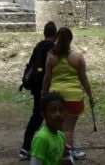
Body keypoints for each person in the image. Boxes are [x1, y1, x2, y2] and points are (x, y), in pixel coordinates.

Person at [41, 27, 94, 161]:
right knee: (68, 129)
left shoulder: (51, 56)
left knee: (55, 128)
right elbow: (84, 79)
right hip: (74, 97)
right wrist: (90, 96)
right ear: (71, 39)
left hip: (55, 97)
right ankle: (67, 156)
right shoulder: (78, 57)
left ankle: (54, 153)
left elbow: (47, 78)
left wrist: (43, 95)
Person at [19, 21, 58, 160]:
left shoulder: (38, 46)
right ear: (55, 34)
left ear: (44, 32)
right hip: (46, 87)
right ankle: (28, 147)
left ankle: (26, 146)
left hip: (36, 86)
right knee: (46, 116)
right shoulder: (52, 47)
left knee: (37, 116)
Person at [30, 93, 68, 165]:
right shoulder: (42, 138)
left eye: (61, 110)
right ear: (43, 114)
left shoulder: (61, 136)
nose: (58, 114)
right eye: (52, 111)